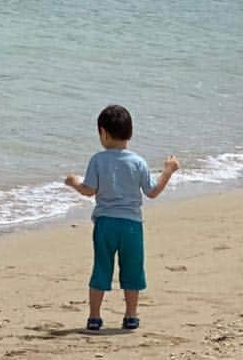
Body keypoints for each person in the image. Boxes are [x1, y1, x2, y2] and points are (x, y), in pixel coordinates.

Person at [64, 103, 179, 332]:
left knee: (101, 268)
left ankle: (95, 317)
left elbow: (89, 190)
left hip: (105, 224)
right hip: (132, 226)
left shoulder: (98, 160)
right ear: (130, 133)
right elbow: (152, 192)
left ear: (103, 133)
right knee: (132, 269)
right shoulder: (138, 162)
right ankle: (131, 315)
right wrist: (168, 170)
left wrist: (74, 182)